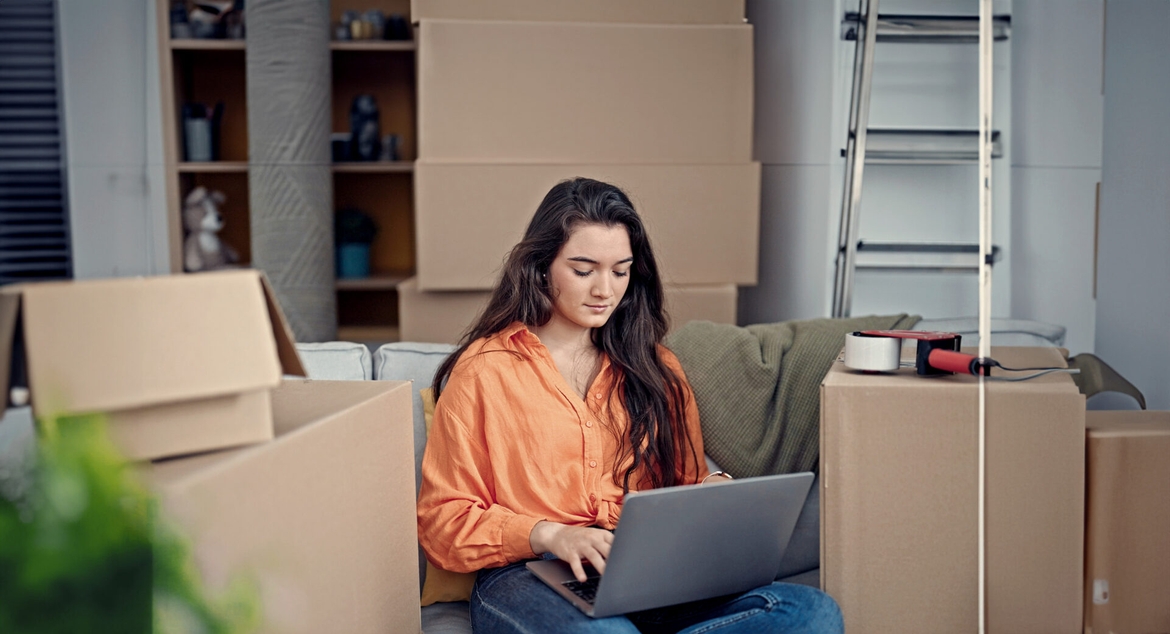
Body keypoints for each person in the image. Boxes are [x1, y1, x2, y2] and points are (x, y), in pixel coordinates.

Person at [416, 178, 843, 633]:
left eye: (620, 271)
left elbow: (684, 482)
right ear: (542, 267)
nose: (605, 290)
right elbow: (443, 522)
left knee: (811, 613)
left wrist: (712, 490)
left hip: (646, 572)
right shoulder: (485, 370)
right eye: (584, 270)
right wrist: (551, 534)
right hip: (528, 574)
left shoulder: (655, 366)